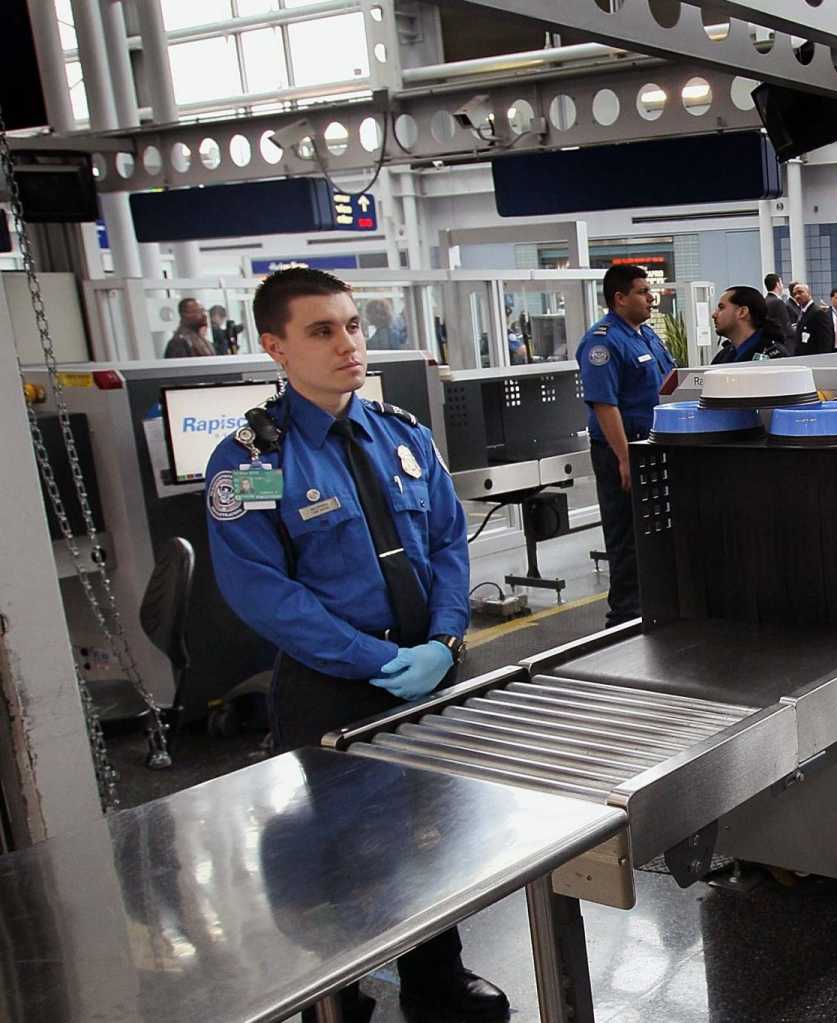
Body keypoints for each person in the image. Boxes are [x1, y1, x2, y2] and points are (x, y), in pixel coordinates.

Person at [203, 267, 506, 1023]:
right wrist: (374, 661)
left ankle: (439, 977)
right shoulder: (253, 464)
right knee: (339, 851)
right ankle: (335, 996)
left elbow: (446, 540)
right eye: (322, 330)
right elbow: (263, 591)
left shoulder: (403, 434)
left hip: (426, 670)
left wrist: (443, 638)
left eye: (353, 325)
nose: (348, 344)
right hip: (331, 684)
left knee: (434, 831)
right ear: (275, 345)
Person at [579, 266, 675, 627]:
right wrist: (624, 458)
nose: (651, 298)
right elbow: (605, 404)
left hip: (654, 445)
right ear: (619, 298)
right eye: (642, 292)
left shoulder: (646, 335)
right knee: (627, 535)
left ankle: (655, 607)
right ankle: (623, 618)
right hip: (622, 449)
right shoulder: (602, 342)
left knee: (654, 532)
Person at [711, 284, 775, 363]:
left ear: (742, 312)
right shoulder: (722, 356)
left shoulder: (773, 357)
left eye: (721, 307)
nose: (714, 315)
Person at [791, 282, 835, 355]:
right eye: (794, 294)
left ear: (809, 293)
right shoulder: (802, 312)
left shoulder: (817, 312)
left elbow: (826, 341)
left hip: (815, 358)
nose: (797, 296)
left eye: (800, 292)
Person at [763, 272, 798, 354]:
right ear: (777, 284)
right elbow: (786, 326)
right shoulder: (778, 302)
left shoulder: (765, 301)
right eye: (781, 283)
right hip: (782, 346)